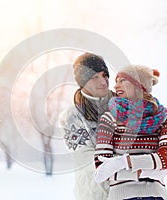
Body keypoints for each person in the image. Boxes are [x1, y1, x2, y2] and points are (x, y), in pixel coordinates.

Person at [94, 65, 167, 200]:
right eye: (116, 81)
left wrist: (122, 162)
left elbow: (166, 158)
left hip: (155, 196)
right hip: (121, 197)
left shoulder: (164, 117)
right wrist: (147, 171)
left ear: (139, 86)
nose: (115, 86)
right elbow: (101, 171)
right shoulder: (109, 119)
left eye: (122, 81)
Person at [60, 52, 112, 200]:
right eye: (94, 77)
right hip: (94, 193)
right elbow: (86, 158)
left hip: (129, 191)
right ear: (82, 81)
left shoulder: (124, 105)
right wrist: (125, 163)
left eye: (104, 75)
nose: (103, 82)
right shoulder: (71, 117)